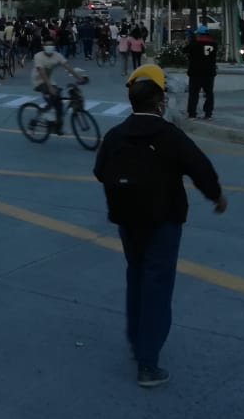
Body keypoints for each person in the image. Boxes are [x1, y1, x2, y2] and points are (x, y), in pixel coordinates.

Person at [93, 65, 227, 388]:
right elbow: (200, 168)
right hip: (163, 221)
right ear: (159, 102)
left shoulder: (116, 135)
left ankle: (136, 340)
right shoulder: (169, 136)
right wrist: (216, 196)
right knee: (157, 284)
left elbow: (100, 171)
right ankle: (148, 363)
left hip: (127, 220)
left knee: (136, 275)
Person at [31, 39, 88, 135]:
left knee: (59, 104)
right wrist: (50, 87)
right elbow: (42, 72)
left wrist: (79, 78)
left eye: (51, 45)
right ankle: (45, 115)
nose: (49, 47)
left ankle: (58, 127)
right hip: (39, 81)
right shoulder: (38, 56)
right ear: (43, 47)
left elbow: (68, 67)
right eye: (47, 45)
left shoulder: (57, 55)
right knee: (53, 96)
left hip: (50, 80)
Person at [185, 25, 218, 121]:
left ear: (199, 34)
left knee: (194, 94)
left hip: (195, 72)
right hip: (209, 72)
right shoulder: (214, 44)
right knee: (209, 94)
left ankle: (192, 114)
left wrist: (190, 41)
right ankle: (208, 114)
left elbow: (185, 50)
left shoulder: (194, 43)